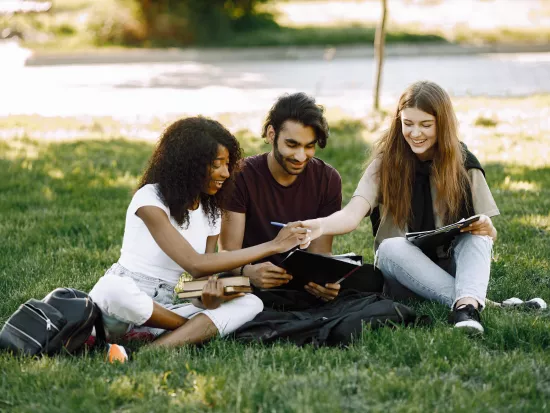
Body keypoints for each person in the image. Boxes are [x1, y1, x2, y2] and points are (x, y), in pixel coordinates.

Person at [89, 117, 310, 362]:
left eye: (228, 164)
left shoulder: (210, 213)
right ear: (189, 165)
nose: (226, 173)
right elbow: (194, 263)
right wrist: (273, 245)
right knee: (114, 289)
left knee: (251, 303)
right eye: (217, 165)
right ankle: (187, 331)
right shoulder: (149, 198)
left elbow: (198, 285)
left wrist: (211, 297)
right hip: (116, 309)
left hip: (162, 309)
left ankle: (149, 351)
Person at [301, 81, 499, 333]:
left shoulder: (464, 164)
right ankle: (475, 303)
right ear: (398, 122)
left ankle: (465, 308)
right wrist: (317, 226)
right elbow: (351, 215)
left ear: (443, 124)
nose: (415, 133)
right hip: (399, 270)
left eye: (426, 125)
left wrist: (488, 228)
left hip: (448, 265)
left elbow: (488, 239)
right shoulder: (385, 164)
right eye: (408, 124)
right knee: (391, 245)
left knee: (477, 236)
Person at [219, 92, 344, 308]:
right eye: (292, 144)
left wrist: (324, 282)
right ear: (271, 134)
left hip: (299, 287)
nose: (301, 156)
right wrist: (247, 272)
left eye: (309, 146)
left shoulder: (328, 179)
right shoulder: (241, 176)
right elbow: (228, 253)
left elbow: (321, 253)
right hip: (250, 282)